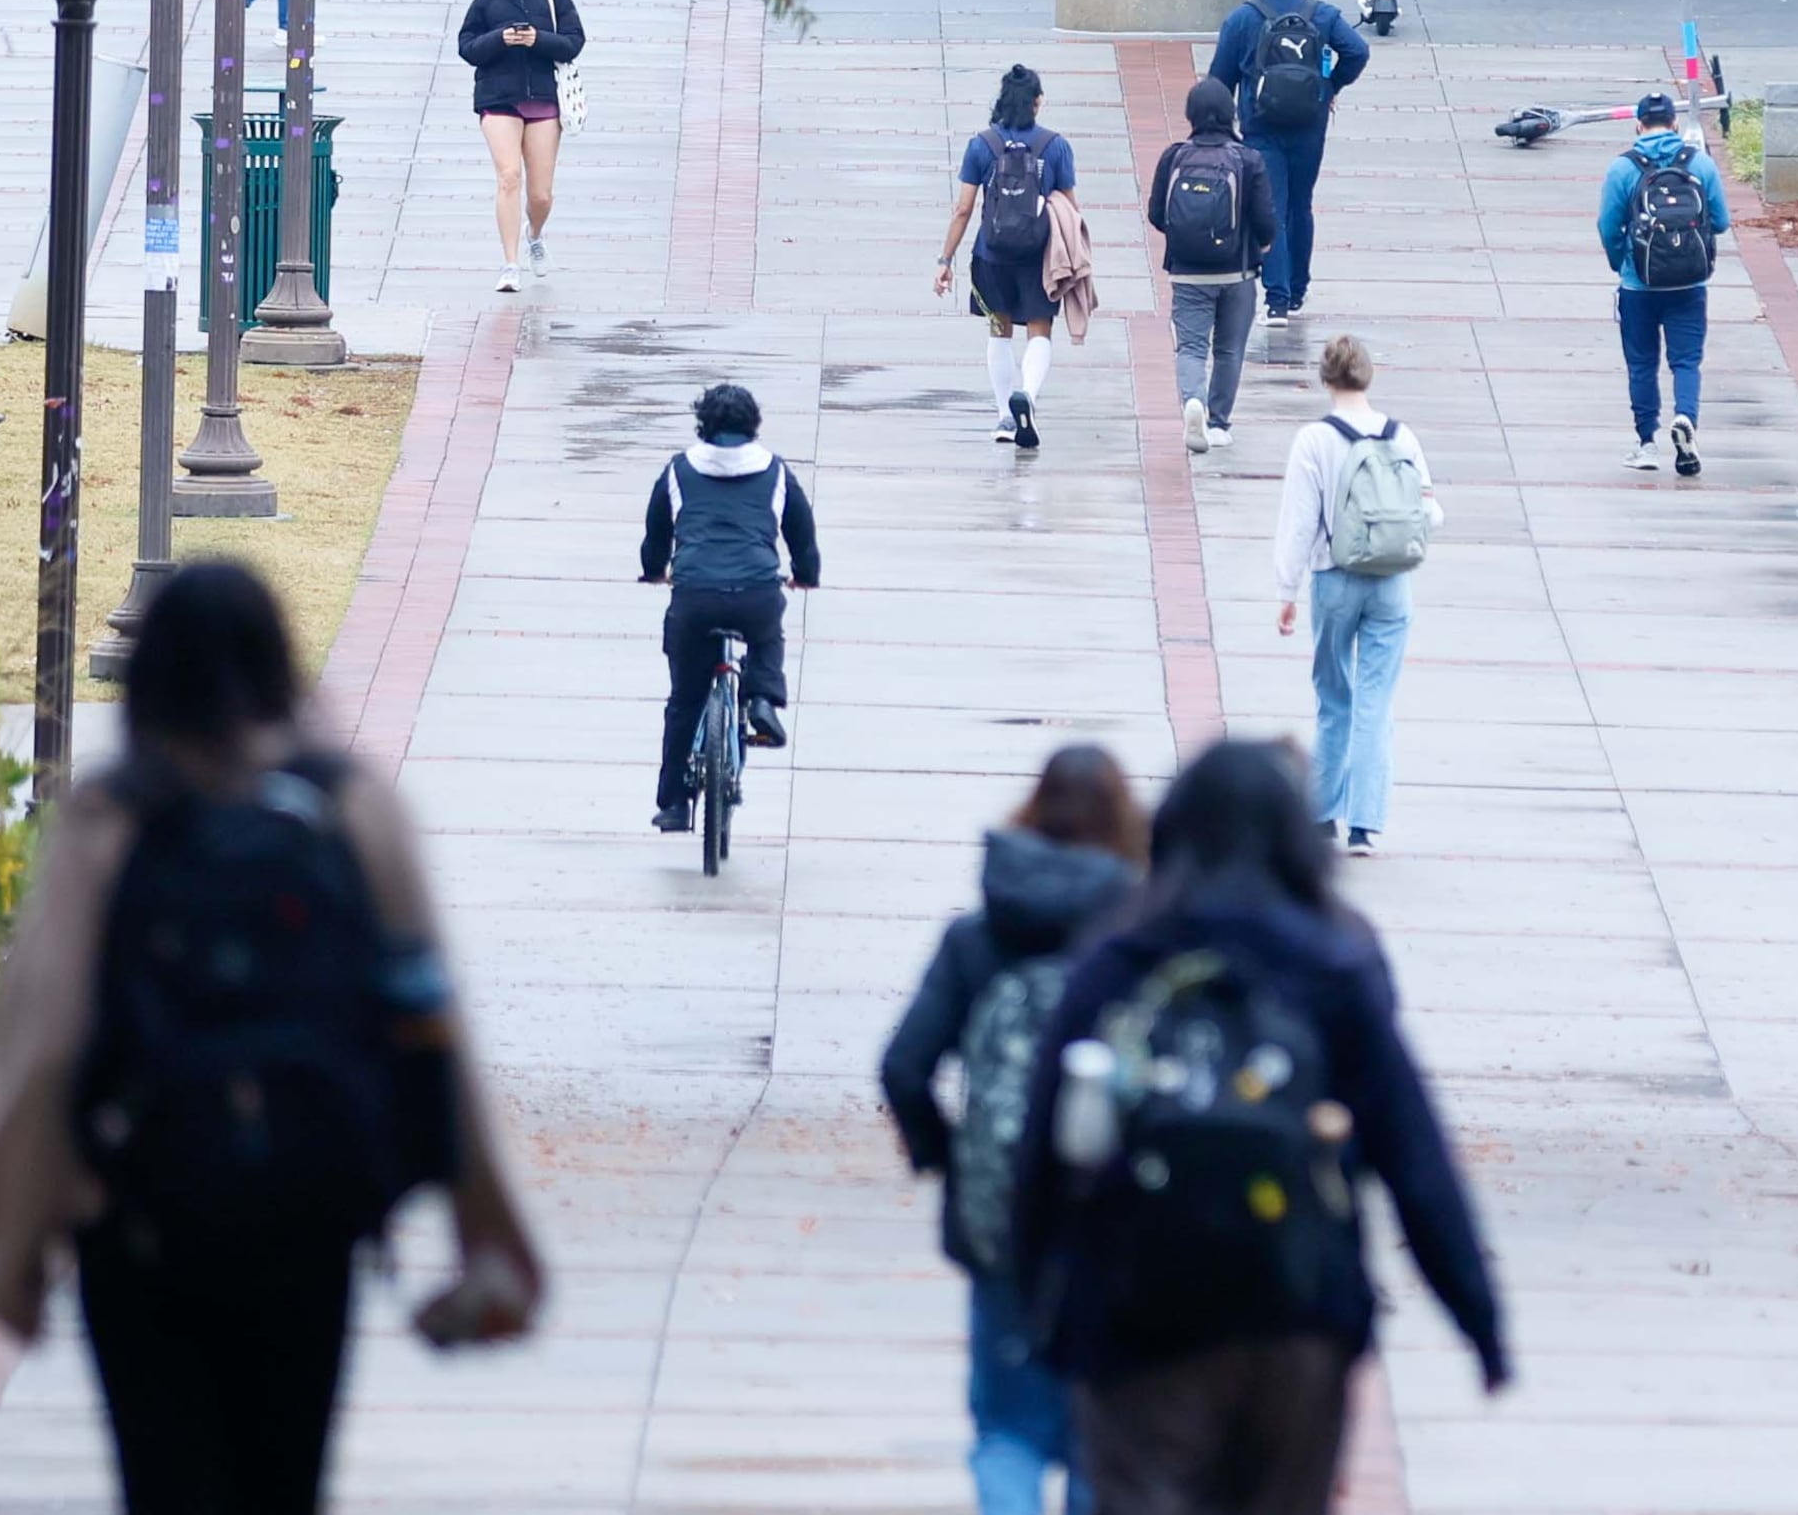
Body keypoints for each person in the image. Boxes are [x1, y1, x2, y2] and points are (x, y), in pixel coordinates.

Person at [0, 562, 544, 1515]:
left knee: (166, 1486)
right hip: (309, 1221)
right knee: (286, 1486)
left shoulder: (109, 824)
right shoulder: (354, 811)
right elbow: (431, 1030)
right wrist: (489, 1234)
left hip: (143, 1224)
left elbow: (50, 1049)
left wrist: (17, 1249)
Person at [1011, 741, 1507, 1515]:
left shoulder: (1116, 965)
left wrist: (1036, 1301)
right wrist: (1477, 1318)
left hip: (1138, 1307)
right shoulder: (1333, 970)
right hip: (1299, 1313)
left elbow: (1044, 1145)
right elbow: (1415, 1158)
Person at [881, 748, 1151, 1515]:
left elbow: (904, 1068)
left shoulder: (978, 937)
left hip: (1001, 1216)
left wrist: (950, 1159)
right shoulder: (1141, 938)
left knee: (1007, 1431)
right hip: (1112, 1216)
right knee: (1100, 1436)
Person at [1272, 336, 1438, 855]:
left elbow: (1298, 523)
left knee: (1333, 697)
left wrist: (1286, 588)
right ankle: (1366, 826)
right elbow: (1431, 511)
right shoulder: (1401, 435)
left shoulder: (1313, 441)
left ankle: (1322, 815)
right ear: (1368, 375)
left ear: (1326, 379)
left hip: (1334, 576)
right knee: (1375, 700)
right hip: (1392, 580)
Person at [638, 382, 821, 834]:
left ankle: (676, 804)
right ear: (754, 424)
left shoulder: (679, 470)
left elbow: (656, 534)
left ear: (703, 422)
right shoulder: (775, 471)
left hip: (694, 593)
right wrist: (805, 574)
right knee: (766, 635)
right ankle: (761, 698)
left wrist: (654, 570)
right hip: (757, 591)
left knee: (684, 701)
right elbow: (802, 532)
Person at [1203, 0, 1369, 325]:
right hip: (1310, 127)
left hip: (1261, 128)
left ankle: (1275, 300)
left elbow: (1218, 83)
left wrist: (1224, 130)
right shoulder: (1323, 15)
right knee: (1301, 205)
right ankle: (1297, 291)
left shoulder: (1242, 19)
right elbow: (1358, 51)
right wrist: (1330, 88)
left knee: (1271, 209)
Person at [933, 65, 1079, 450]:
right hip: (1039, 256)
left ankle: (1003, 415)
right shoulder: (1055, 146)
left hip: (991, 255)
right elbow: (1070, 207)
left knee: (999, 331)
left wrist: (945, 260)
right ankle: (1027, 395)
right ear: (1037, 102)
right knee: (1039, 331)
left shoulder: (982, 145)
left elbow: (963, 209)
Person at [1594, 92, 1730, 478]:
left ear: (1638, 125)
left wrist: (1622, 262)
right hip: (1689, 282)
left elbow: (1607, 226)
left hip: (1638, 285)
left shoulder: (1623, 168)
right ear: (1673, 124)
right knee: (1686, 361)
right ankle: (1685, 418)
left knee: (1641, 364)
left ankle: (1647, 443)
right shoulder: (1699, 163)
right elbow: (1720, 221)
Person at [1143, 79, 1278, 454]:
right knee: (1229, 350)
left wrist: (1185, 235)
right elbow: (1266, 219)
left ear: (1191, 115)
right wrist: (1261, 245)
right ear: (1230, 113)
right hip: (1237, 272)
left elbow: (1157, 213)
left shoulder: (1174, 157)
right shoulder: (1248, 159)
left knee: (1190, 347)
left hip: (1187, 271)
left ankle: (1192, 401)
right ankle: (1218, 423)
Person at [455, 0, 585, 294]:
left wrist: (537, 39)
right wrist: (501, 38)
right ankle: (510, 263)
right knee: (509, 176)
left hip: (545, 100)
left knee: (541, 193)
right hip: (499, 100)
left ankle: (536, 234)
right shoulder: (486, 0)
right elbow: (467, 47)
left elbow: (574, 42)